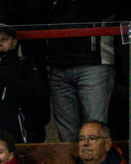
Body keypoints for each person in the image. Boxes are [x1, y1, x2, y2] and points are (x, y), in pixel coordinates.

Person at [44, 0, 117, 143]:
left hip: (94, 63)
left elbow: (108, 8)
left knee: (95, 131)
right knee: (67, 138)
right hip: (58, 64)